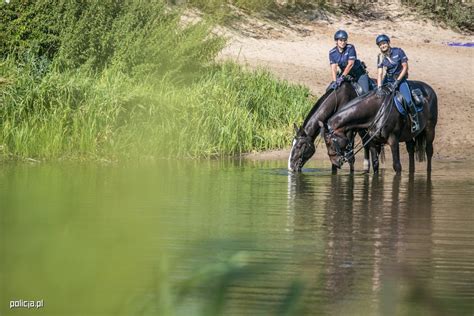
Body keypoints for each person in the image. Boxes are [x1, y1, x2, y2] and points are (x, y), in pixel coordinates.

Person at [375, 34, 420, 132]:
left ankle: (415, 120)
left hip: (400, 80)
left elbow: (405, 67)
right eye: (380, 44)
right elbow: (380, 73)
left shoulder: (398, 51)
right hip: (388, 80)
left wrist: (397, 82)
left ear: (388, 43)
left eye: (384, 43)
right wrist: (379, 87)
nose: (383, 46)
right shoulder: (380, 57)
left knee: (408, 100)